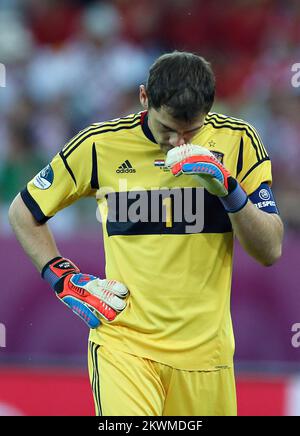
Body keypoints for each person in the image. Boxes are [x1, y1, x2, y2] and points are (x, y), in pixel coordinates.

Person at [8, 51, 283, 416]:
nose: (178, 144)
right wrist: (65, 279)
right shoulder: (99, 146)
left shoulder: (237, 141)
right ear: (143, 98)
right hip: (125, 344)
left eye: (191, 131)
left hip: (207, 356)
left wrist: (227, 188)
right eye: (167, 129)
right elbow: (23, 212)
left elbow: (270, 249)